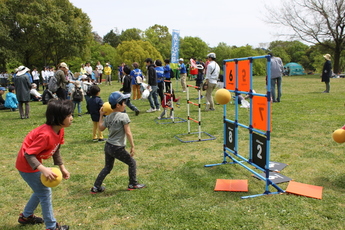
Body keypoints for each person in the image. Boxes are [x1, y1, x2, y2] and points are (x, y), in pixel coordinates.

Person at [15, 99, 73, 230]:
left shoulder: (60, 130)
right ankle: (51, 227)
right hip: (26, 165)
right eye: (68, 115)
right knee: (45, 192)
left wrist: (62, 167)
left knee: (40, 190)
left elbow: (56, 149)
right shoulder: (45, 134)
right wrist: (43, 169)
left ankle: (26, 216)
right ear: (58, 118)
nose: (72, 118)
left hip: (34, 163)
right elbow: (28, 154)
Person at [90, 91, 146, 194]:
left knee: (108, 167)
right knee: (132, 163)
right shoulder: (123, 116)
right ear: (118, 105)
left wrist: (101, 115)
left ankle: (96, 187)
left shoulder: (109, 117)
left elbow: (100, 129)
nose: (125, 105)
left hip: (108, 146)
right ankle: (132, 184)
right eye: (124, 103)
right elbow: (128, 133)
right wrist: (132, 146)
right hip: (117, 147)